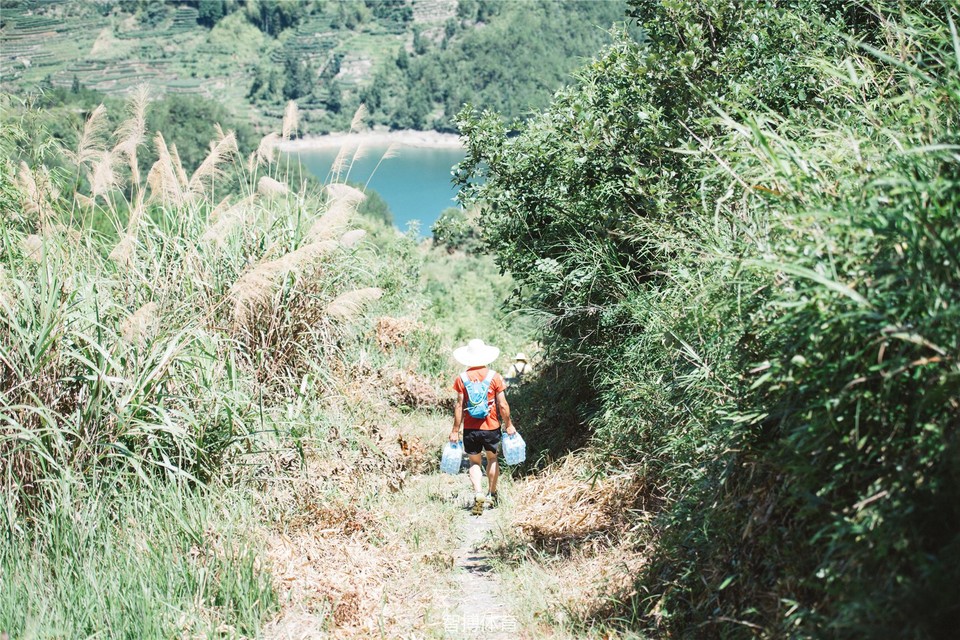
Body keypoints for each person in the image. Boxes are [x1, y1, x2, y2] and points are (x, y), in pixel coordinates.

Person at [450, 338, 516, 515]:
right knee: (492, 459)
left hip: (471, 428)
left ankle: (478, 493)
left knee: (474, 461)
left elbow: (459, 406)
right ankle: (492, 494)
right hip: (491, 426)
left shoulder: (461, 379)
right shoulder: (494, 377)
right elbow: (502, 404)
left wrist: (455, 430)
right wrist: (508, 425)